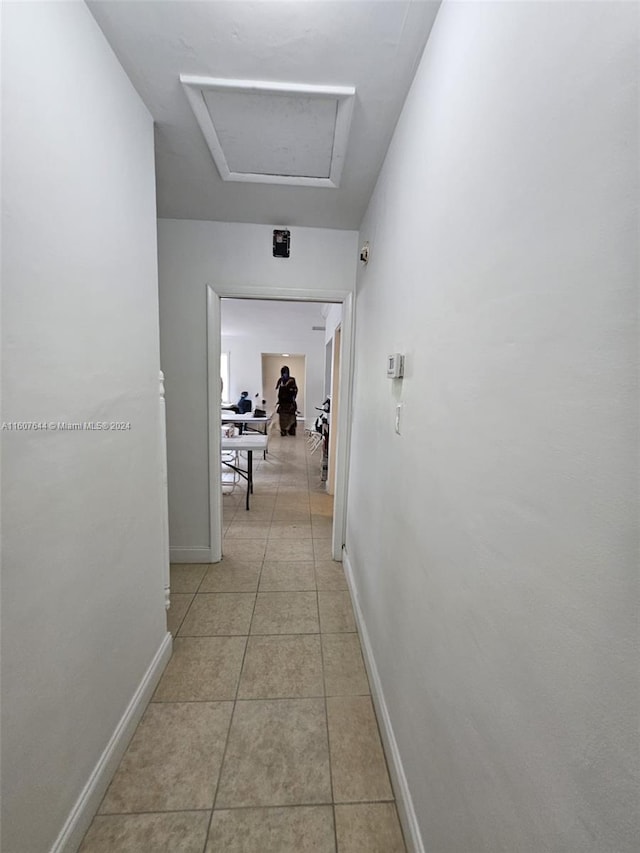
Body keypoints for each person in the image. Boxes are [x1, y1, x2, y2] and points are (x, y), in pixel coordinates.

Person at [275, 365, 298, 435]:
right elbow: (277, 389)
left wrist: (293, 398)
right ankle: (283, 430)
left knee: (291, 417)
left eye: (286, 372)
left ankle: (291, 430)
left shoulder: (292, 380)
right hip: (282, 403)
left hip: (290, 402)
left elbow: (295, 390)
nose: (285, 374)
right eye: (284, 372)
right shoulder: (280, 380)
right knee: (282, 418)